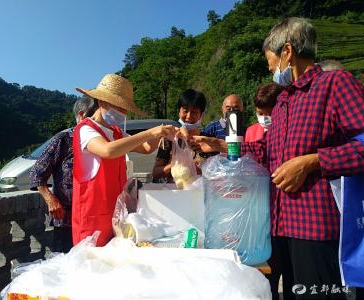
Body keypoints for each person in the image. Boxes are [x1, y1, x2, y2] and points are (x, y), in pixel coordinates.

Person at [193, 17, 364, 300]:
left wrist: (313, 161)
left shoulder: (335, 84)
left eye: (269, 59)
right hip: (278, 226)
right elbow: (267, 154)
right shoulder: (284, 101)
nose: (270, 67)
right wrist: (219, 145)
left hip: (315, 227)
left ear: (287, 52)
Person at [72, 73, 176, 246]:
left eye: (125, 108)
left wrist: (162, 133)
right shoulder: (85, 129)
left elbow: (146, 148)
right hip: (92, 218)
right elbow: (108, 151)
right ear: (103, 102)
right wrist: (150, 132)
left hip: (116, 214)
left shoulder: (117, 133)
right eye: (119, 107)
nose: (123, 113)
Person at [29, 96, 97, 253]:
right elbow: (37, 173)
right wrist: (50, 198)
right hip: (67, 220)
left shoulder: (102, 140)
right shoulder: (64, 140)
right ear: (81, 115)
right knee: (66, 265)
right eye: (94, 114)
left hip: (93, 218)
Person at [151, 89, 206, 183]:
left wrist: (200, 169)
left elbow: (213, 171)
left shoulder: (206, 139)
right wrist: (176, 164)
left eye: (194, 112)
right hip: (174, 192)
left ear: (201, 114)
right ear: (179, 112)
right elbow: (156, 173)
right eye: (185, 111)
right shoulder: (168, 139)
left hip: (199, 192)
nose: (188, 116)